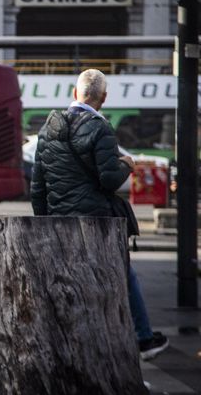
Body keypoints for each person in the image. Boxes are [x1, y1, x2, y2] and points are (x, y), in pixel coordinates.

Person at [30, 68, 169, 360]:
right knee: (121, 273)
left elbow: (37, 187)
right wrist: (128, 165)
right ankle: (143, 338)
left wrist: (44, 221)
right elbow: (108, 180)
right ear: (103, 98)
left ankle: (63, 340)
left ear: (74, 93)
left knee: (66, 280)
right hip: (96, 221)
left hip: (58, 221)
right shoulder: (100, 129)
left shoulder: (46, 130)